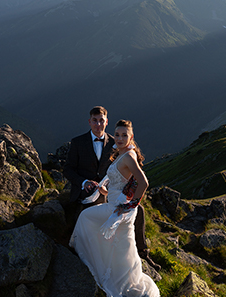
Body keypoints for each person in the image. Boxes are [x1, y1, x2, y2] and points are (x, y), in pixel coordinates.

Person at [69, 120, 161, 297]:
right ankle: (121, 277)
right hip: (117, 206)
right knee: (121, 245)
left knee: (86, 217)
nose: (119, 138)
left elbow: (143, 182)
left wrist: (130, 205)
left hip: (119, 209)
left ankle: (94, 262)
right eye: (117, 135)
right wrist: (106, 189)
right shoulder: (125, 154)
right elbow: (125, 181)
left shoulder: (128, 156)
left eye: (123, 135)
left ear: (131, 137)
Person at [64, 106, 160, 271]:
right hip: (86, 191)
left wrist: (128, 200)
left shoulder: (116, 143)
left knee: (140, 211)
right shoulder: (78, 142)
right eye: (95, 120)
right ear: (89, 122)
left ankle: (142, 252)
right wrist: (84, 182)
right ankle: (88, 255)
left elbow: (130, 176)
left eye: (101, 120)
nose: (98, 124)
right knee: (86, 217)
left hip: (110, 194)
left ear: (106, 122)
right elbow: (68, 170)